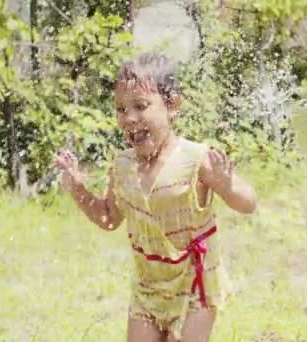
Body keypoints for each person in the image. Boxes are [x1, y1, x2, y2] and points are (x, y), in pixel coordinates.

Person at [55, 53, 257, 342]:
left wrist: (228, 187)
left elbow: (249, 203)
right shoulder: (122, 166)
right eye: (121, 109)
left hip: (194, 288)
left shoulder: (195, 159)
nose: (129, 118)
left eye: (140, 106)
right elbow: (109, 218)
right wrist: (78, 189)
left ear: (172, 105)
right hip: (148, 288)